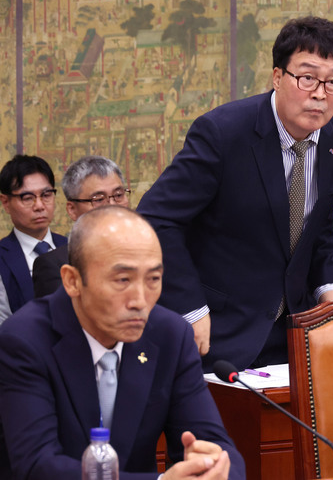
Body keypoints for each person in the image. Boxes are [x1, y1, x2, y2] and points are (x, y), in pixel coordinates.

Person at [137, 16, 333, 370]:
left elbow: (317, 222)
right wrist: (191, 309)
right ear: (276, 77)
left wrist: (327, 286)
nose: (320, 93)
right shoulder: (223, 133)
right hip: (221, 332)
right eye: (307, 78)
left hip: (296, 334)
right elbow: (155, 219)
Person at [0, 206, 244, 479]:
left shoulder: (170, 335)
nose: (140, 301)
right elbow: (37, 467)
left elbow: (216, 445)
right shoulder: (24, 340)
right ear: (72, 281)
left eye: (153, 279)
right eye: (122, 280)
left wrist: (216, 471)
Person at [33, 156, 130, 297]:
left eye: (118, 195)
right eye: (98, 199)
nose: (112, 206)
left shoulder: (149, 251)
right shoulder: (54, 265)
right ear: (72, 210)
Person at [0, 154, 67, 314]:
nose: (39, 206)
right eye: (27, 198)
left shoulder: (73, 248)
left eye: (46, 195)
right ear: (6, 202)